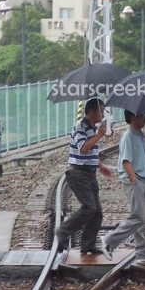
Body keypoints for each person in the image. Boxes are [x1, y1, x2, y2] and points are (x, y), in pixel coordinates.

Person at [100, 110, 145, 265]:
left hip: (143, 178)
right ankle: (109, 240)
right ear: (133, 117)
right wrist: (134, 179)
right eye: (142, 115)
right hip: (135, 180)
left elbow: (140, 158)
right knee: (138, 216)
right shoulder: (128, 136)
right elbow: (126, 161)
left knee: (142, 218)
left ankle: (143, 252)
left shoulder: (140, 135)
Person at [56, 98, 113, 254]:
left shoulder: (92, 128)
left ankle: (87, 244)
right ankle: (63, 231)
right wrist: (99, 135)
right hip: (79, 174)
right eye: (101, 110)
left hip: (90, 174)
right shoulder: (80, 127)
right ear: (93, 111)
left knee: (97, 213)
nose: (103, 114)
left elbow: (90, 153)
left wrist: (101, 166)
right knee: (89, 208)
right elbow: (83, 148)